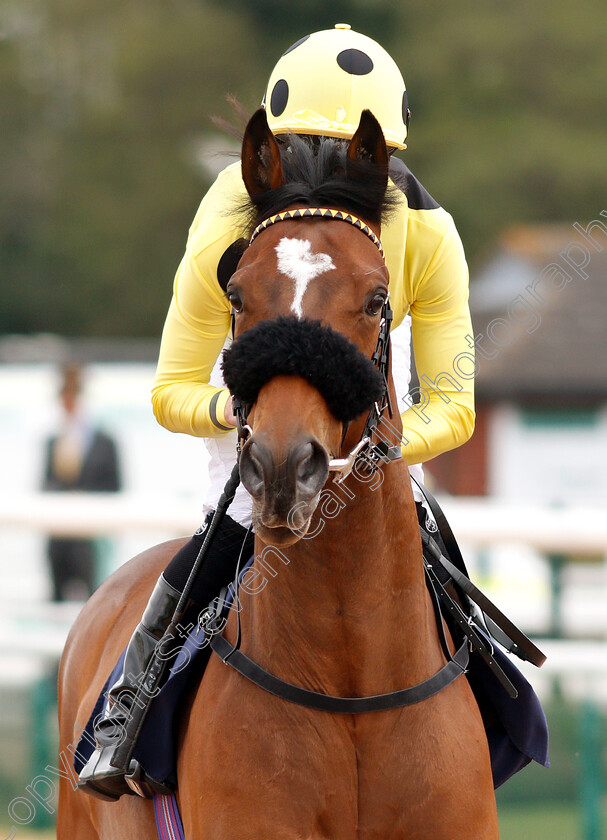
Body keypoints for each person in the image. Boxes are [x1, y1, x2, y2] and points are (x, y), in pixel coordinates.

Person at [79, 24, 474, 799]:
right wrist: (242, 417)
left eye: (344, 160)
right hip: (254, 422)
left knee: (447, 574)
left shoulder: (427, 233)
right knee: (218, 545)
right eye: (296, 153)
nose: (316, 176)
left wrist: (377, 451)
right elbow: (170, 391)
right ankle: (120, 721)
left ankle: (492, 722)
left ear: (380, 156)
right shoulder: (227, 218)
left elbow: (455, 405)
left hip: (365, 426)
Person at [42, 363, 121, 601]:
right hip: (59, 536)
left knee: (94, 596)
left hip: (93, 538)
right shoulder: (53, 441)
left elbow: (115, 485)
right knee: (56, 595)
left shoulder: (104, 442)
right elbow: (45, 483)